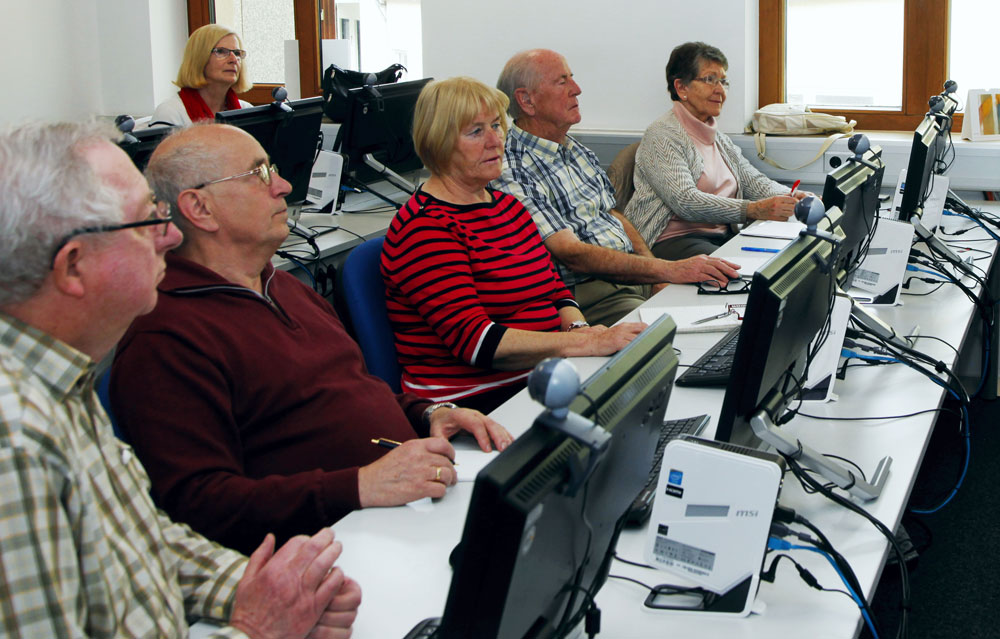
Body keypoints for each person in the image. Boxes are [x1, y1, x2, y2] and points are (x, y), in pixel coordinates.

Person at [0, 120, 360, 638]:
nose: (170, 236)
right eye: (146, 222)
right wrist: (260, 630)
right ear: (74, 267)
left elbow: (139, 538)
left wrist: (262, 588)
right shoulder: (18, 442)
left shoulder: (62, 380)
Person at [110, 122, 511, 556]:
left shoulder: (282, 286)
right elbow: (200, 505)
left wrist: (429, 413)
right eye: (259, 174)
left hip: (396, 510)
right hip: (330, 547)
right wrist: (358, 486)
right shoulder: (166, 336)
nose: (283, 186)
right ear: (200, 209)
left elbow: (351, 392)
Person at [381, 77, 647, 413]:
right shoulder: (425, 228)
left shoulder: (508, 207)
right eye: (476, 131)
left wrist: (580, 329)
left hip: (540, 379)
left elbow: (556, 290)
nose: (495, 141)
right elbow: (476, 341)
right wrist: (583, 342)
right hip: (476, 403)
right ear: (439, 142)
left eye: (496, 125)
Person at [493, 49, 740, 327]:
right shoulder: (511, 166)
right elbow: (571, 254)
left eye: (572, 79)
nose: (577, 89)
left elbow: (613, 215)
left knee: (725, 313)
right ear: (526, 100)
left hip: (630, 276)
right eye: (562, 82)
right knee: (677, 333)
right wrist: (666, 269)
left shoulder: (575, 150)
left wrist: (655, 274)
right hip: (590, 290)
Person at [625, 41, 813, 260]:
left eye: (723, 81)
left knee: (780, 261)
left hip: (718, 237)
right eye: (709, 80)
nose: (720, 90)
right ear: (681, 88)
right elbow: (685, 201)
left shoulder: (717, 137)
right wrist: (753, 209)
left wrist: (790, 196)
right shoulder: (662, 135)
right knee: (740, 274)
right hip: (670, 242)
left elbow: (752, 181)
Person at [151, 24, 253, 126]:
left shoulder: (246, 111)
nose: (234, 59)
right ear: (198, 58)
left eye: (237, 53)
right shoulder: (170, 113)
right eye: (221, 52)